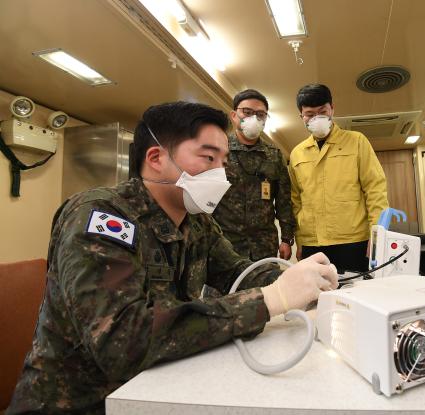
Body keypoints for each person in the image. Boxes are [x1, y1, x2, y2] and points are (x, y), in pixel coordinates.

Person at [7, 102, 337, 414]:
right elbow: (125, 343)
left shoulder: (197, 223)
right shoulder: (100, 217)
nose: (222, 174)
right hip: (84, 404)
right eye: (208, 158)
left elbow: (239, 273)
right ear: (155, 158)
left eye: (223, 162)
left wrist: (306, 286)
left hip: (159, 388)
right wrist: (271, 299)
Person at [288, 84, 389, 274]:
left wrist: (377, 236)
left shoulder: (357, 141)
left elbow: (375, 189)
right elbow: (296, 201)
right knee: (317, 299)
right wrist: (300, 241)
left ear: (332, 109)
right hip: (312, 243)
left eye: (322, 111)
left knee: (355, 295)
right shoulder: (297, 154)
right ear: (301, 117)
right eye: (309, 114)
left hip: (353, 242)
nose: (316, 118)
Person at [212, 89, 295, 261]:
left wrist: (286, 239)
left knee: (266, 288)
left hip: (263, 245)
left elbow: (284, 200)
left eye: (260, 114)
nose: (254, 118)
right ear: (234, 115)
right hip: (224, 244)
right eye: (247, 112)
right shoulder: (218, 149)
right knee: (230, 288)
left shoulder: (274, 154)